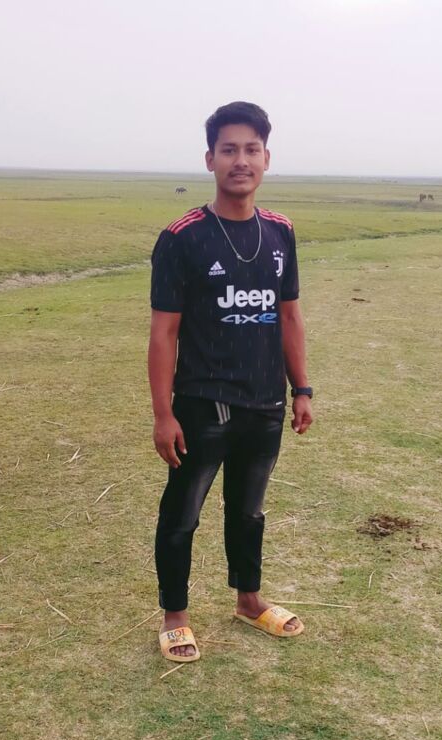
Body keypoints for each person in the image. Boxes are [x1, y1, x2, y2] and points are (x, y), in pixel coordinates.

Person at [148, 101, 313, 663]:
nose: (240, 160)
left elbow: (288, 315)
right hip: (202, 405)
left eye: (251, 149)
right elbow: (164, 333)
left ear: (266, 158)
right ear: (210, 160)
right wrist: (163, 414)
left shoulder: (281, 232)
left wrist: (302, 389)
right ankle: (175, 616)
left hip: (265, 402)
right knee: (183, 513)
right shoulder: (182, 237)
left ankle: (249, 600)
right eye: (228, 150)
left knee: (249, 510)